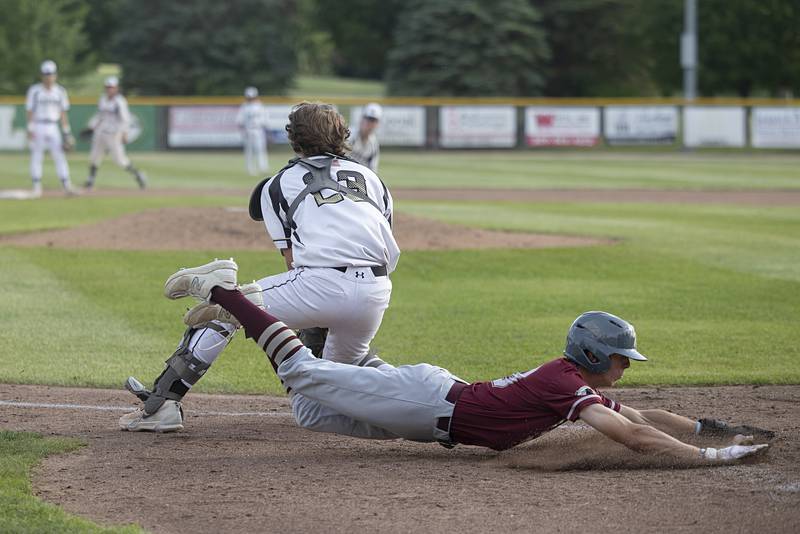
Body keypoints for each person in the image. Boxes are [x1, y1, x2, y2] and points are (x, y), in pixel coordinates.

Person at [125, 259, 773, 465]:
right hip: (430, 405)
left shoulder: (570, 380)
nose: (627, 369)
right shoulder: (562, 384)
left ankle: (251, 308)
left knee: (310, 411)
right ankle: (228, 291)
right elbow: (631, 434)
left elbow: (644, 414)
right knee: (301, 375)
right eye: (623, 359)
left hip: (431, 407)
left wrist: (710, 429)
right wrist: (711, 460)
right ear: (597, 357)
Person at [119, 102, 399, 432]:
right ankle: (410, 395)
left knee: (228, 306)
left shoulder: (278, 184)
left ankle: (162, 405)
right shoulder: (372, 178)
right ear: (342, 134)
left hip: (321, 284)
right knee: (333, 390)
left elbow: (292, 260)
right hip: (375, 294)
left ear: (294, 139)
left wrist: (316, 311)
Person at [83, 76, 147, 190]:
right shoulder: (102, 99)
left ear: (116, 88)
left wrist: (125, 133)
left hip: (114, 134)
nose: (109, 89)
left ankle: (138, 175)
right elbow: (100, 116)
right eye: (107, 87)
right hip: (101, 132)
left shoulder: (120, 101)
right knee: (94, 156)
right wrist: (92, 127)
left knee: (120, 160)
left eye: (111, 87)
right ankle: (90, 180)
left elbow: (126, 119)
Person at [25, 60, 77, 197]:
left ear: (55, 75)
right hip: (39, 125)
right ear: (42, 75)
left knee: (60, 156)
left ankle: (67, 185)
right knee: (37, 156)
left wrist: (66, 132)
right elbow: (30, 110)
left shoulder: (60, 91)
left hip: (54, 126)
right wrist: (30, 128)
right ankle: (36, 187)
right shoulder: (35, 91)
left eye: (51, 74)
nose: (48, 77)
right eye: (46, 74)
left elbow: (63, 113)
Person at [236, 86, 269, 176]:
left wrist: (264, 128)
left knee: (260, 149)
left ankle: (263, 167)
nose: (250, 98)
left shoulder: (260, 105)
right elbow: (239, 120)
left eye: (252, 97)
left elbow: (265, 119)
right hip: (248, 130)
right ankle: (249, 169)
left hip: (258, 129)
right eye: (249, 97)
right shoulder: (244, 106)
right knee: (249, 151)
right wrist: (243, 130)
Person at [348, 103, 381, 171]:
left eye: (373, 121)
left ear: (377, 124)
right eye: (368, 119)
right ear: (362, 119)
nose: (370, 123)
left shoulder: (374, 143)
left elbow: (373, 170)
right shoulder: (349, 136)